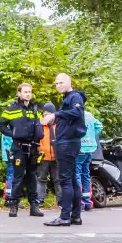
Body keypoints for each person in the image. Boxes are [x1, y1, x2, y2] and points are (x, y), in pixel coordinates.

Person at [43, 73, 87, 226]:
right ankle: (75, 216)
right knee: (73, 180)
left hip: (68, 142)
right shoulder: (68, 97)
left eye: (61, 82)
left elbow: (77, 113)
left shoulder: (74, 97)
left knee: (65, 180)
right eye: (56, 83)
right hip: (69, 142)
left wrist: (55, 114)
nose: (58, 85)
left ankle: (65, 216)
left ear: (69, 82)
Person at [0, 83, 45, 218]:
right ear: (19, 93)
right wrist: (12, 134)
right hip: (18, 147)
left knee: (32, 177)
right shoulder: (11, 109)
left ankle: (34, 206)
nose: (28, 94)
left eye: (29, 92)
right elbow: (1, 124)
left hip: (33, 147)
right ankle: (13, 205)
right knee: (18, 177)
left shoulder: (35, 108)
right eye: (25, 92)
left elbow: (40, 125)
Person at [34, 102, 61, 209]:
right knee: (41, 179)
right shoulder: (39, 126)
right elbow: (36, 140)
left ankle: (61, 201)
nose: (46, 115)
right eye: (44, 113)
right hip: (43, 157)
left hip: (57, 157)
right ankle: (39, 200)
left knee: (58, 180)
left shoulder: (58, 126)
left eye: (48, 113)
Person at [77, 110, 104, 211]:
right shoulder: (89, 115)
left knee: (77, 174)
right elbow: (99, 126)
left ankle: (79, 202)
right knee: (86, 174)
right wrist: (92, 135)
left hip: (80, 147)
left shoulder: (75, 114)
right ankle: (87, 202)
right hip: (91, 147)